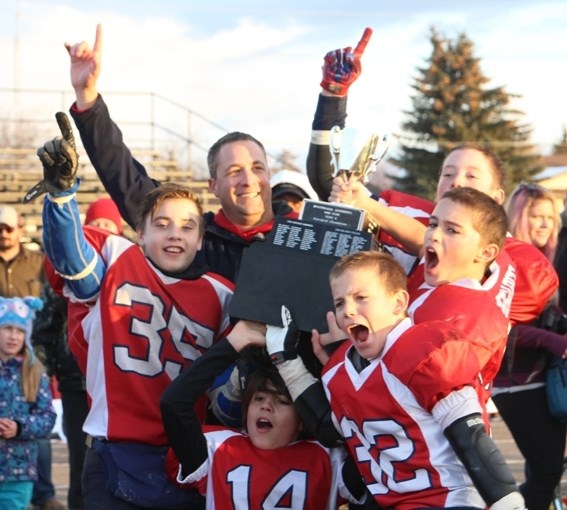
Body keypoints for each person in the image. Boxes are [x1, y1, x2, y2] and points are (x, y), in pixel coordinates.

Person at [36, 115, 234, 510]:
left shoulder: (222, 294)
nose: (174, 233)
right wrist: (61, 196)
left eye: (186, 226)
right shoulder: (117, 259)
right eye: (162, 224)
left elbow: (227, 390)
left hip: (186, 457)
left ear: (199, 240)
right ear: (140, 233)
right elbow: (74, 262)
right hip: (115, 454)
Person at [308, 30, 557, 328]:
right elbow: (332, 185)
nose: (456, 181)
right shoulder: (407, 212)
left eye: (471, 175)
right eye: (448, 174)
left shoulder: (517, 256)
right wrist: (333, 96)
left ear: (496, 196)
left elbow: (468, 263)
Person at [265, 251, 525, 509]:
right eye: (340, 303)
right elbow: (329, 428)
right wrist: (286, 360)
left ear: (399, 302)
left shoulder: (424, 349)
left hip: (447, 498)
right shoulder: (338, 370)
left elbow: (469, 434)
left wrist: (506, 499)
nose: (348, 310)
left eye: (361, 298)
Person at [63, 24, 295, 285]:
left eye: (257, 168)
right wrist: (87, 96)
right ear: (213, 186)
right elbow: (125, 178)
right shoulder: (194, 237)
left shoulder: (303, 235)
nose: (248, 180)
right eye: (234, 171)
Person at [160, 319, 365, 509]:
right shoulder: (216, 450)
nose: (266, 406)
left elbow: (372, 434)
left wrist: (342, 362)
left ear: (303, 420)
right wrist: (234, 342)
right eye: (258, 398)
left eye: (282, 401)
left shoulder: (330, 458)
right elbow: (174, 404)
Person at [490, 182, 567, 510]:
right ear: (519, 216)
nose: (544, 223)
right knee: (548, 470)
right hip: (514, 383)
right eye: (536, 215)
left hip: (540, 379)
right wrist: (555, 341)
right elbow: (499, 329)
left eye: (550, 217)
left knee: (543, 468)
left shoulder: (546, 260)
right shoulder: (506, 263)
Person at [0, 206, 62, 510]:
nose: (3, 233)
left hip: (33, 351)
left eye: (8, 228)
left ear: (19, 228)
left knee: (39, 427)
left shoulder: (38, 263)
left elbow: (44, 417)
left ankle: (45, 491)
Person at [0, 296, 56, 510]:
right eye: (8, 328)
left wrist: (19, 427)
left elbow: (47, 417)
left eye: (20, 330)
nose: (14, 336)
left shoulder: (34, 372)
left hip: (19, 471)